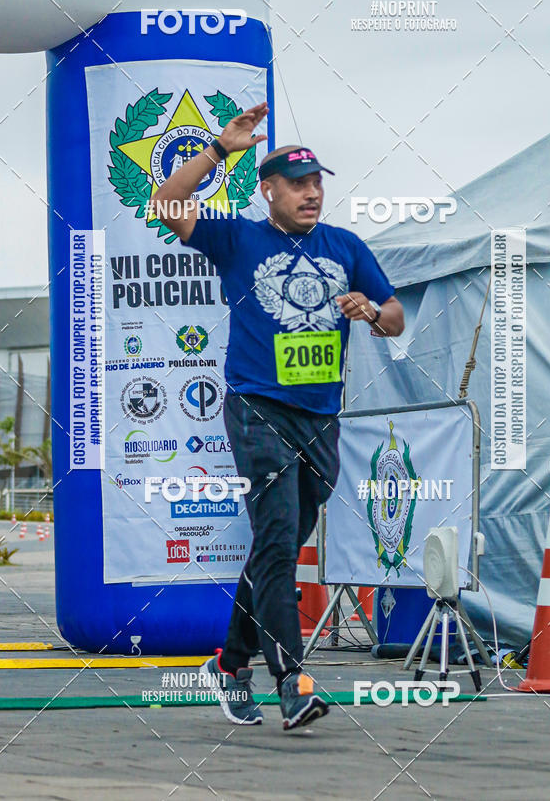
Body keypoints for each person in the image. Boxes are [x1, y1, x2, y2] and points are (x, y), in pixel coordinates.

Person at [155, 102, 404, 730]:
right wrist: (219, 149)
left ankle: (230, 662)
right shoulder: (239, 237)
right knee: (275, 540)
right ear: (268, 192)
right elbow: (167, 204)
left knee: (280, 543)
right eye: (298, 185)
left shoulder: (346, 245)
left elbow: (397, 315)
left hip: (321, 416)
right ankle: (291, 680)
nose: (312, 193)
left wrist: (368, 313)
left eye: (318, 183)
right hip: (256, 407)